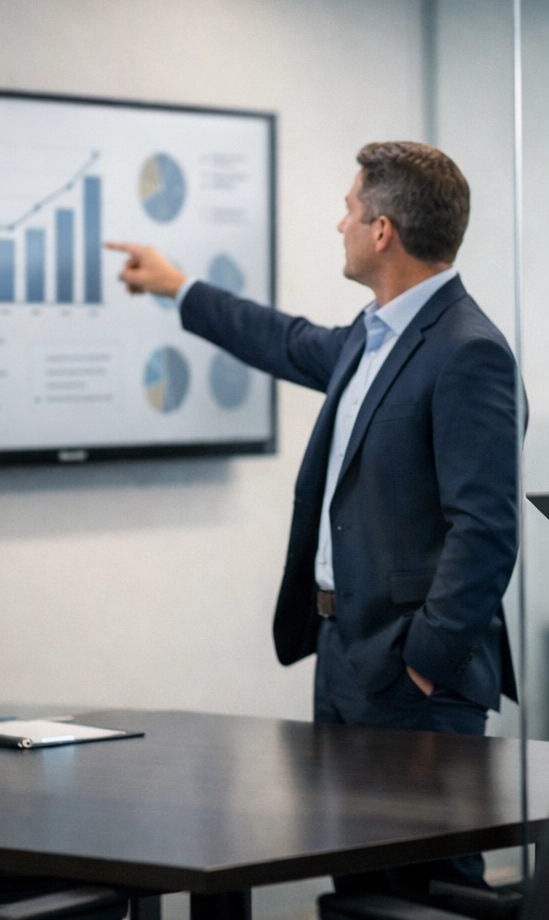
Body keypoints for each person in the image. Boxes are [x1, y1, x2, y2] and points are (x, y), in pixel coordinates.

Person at [108, 141, 519, 898]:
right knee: (360, 884)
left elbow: (486, 532)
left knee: (424, 889)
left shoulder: (469, 352)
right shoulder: (372, 337)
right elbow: (286, 339)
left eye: (349, 210)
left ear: (383, 229)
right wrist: (177, 287)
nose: (340, 224)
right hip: (344, 651)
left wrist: (424, 660)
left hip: (409, 672)